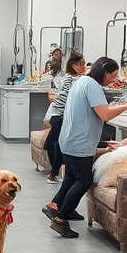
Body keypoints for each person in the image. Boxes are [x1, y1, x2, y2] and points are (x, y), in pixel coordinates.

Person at [44, 57, 127, 239]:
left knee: (72, 177)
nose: (113, 80)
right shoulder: (93, 86)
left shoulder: (82, 80)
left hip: (69, 138)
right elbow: (104, 114)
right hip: (79, 141)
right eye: (112, 75)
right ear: (104, 72)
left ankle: (58, 207)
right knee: (84, 180)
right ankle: (60, 218)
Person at [44, 52, 85, 184]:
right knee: (53, 144)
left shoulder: (76, 79)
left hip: (60, 114)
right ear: (75, 66)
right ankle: (55, 172)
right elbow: (67, 98)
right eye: (82, 64)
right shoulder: (72, 80)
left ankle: (54, 173)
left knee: (54, 143)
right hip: (59, 114)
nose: (84, 66)